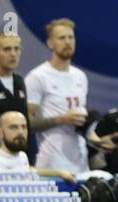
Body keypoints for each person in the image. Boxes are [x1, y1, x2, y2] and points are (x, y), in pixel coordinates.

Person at [26, 18, 91, 177]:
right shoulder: (37, 77)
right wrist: (61, 119)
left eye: (71, 37)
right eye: (62, 38)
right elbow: (26, 122)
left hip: (81, 161)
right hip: (52, 163)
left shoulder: (80, 76)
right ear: (50, 43)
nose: (68, 42)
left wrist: (92, 135)